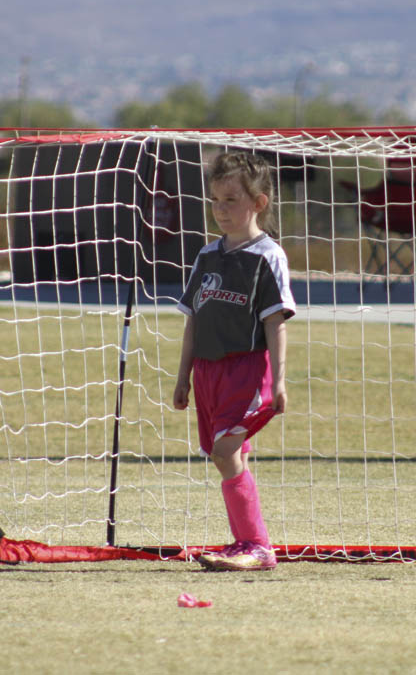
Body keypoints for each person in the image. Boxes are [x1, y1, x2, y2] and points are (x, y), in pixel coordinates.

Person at [173, 151, 296, 571]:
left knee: (226, 452)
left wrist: (279, 382)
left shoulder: (267, 257)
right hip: (207, 373)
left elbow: (276, 322)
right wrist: (183, 377)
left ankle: (257, 546)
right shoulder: (208, 256)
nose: (220, 210)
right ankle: (245, 543)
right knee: (223, 454)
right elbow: (193, 321)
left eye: (230, 200)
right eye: (215, 200)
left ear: (258, 202)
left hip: (247, 369)